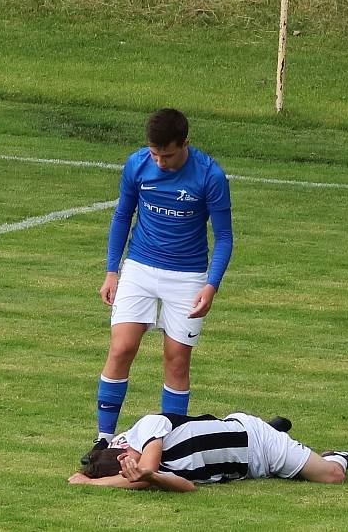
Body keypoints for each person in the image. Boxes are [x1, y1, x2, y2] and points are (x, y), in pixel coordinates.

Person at [86, 108, 234, 461]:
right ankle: (103, 439)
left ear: (185, 143)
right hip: (139, 267)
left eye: (167, 155)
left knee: (177, 361)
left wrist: (211, 285)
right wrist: (112, 270)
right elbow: (123, 214)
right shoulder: (137, 165)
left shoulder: (210, 176)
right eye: (154, 154)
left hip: (188, 277)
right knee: (121, 348)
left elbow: (225, 236)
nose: (160, 162)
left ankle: (170, 444)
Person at [69, 412, 348, 492]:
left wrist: (145, 472)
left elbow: (146, 466)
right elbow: (186, 487)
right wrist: (149, 477)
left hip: (257, 440)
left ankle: (338, 455)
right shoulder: (157, 475)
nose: (135, 467)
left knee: (334, 477)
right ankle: (280, 430)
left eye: (129, 461)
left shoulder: (148, 427)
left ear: (122, 446)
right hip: (250, 466)